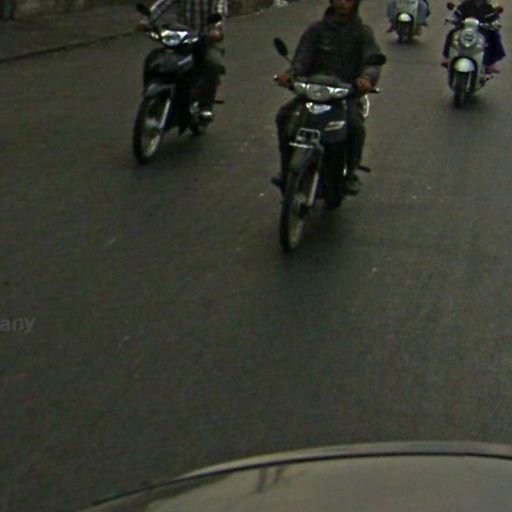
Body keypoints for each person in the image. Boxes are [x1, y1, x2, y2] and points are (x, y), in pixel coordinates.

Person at [271, 0, 385, 207]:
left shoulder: (363, 33)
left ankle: (350, 173)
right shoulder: (315, 30)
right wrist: (290, 74)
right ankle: (286, 169)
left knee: (355, 126)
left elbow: (372, 62)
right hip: (313, 91)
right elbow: (301, 59)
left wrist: (366, 78)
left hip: (345, 95)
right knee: (284, 117)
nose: (343, 3)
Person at [137, 0, 228, 120]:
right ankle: (153, 93)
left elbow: (219, 11)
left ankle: (205, 107)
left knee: (212, 62)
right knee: (155, 58)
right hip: (181, 36)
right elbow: (163, 4)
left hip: (204, 37)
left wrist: (216, 30)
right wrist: (146, 21)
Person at [442, 0, 505, 73]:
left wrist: (494, 23)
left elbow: (494, 18)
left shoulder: (489, 8)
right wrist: (452, 19)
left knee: (495, 36)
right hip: (465, 30)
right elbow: (457, 14)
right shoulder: (464, 5)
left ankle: (493, 62)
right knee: (452, 34)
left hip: (482, 32)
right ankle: (448, 57)